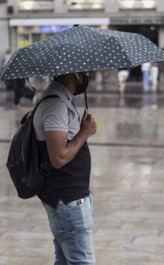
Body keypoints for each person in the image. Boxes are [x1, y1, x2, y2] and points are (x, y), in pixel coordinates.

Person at [33, 71, 97, 265]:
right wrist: (85, 132)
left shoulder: (61, 101)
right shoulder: (56, 105)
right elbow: (59, 157)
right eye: (87, 73)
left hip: (69, 194)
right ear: (75, 75)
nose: (89, 76)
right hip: (67, 199)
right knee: (82, 261)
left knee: (64, 260)